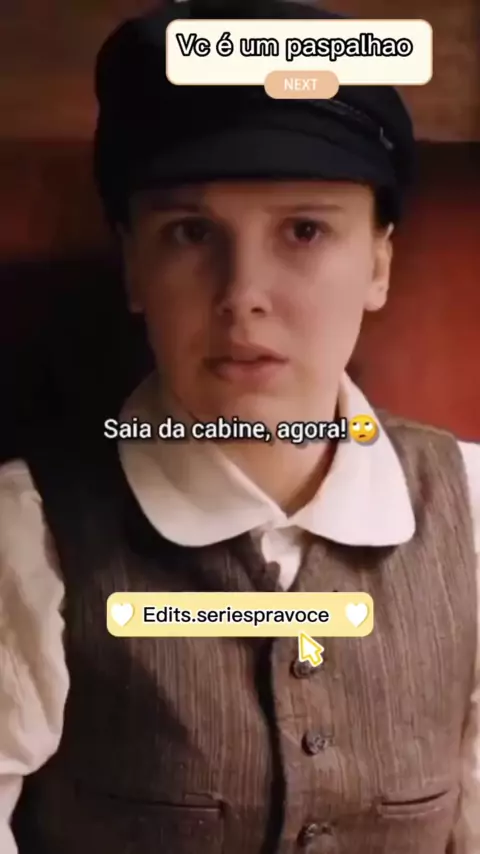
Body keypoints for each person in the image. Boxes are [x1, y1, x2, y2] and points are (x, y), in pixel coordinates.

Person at [1, 1, 479, 852]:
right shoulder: (26, 535)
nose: (242, 294)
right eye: (191, 233)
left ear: (379, 260)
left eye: (304, 230)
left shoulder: (471, 512)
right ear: (134, 264)